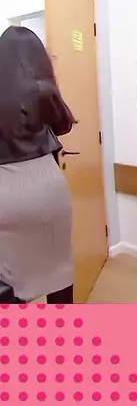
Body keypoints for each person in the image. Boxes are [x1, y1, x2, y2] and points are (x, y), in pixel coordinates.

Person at [0, 26, 76, 304]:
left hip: (6, 189)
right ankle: (62, 327)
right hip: (48, 188)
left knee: (10, 277)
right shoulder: (43, 90)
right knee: (59, 266)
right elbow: (64, 124)